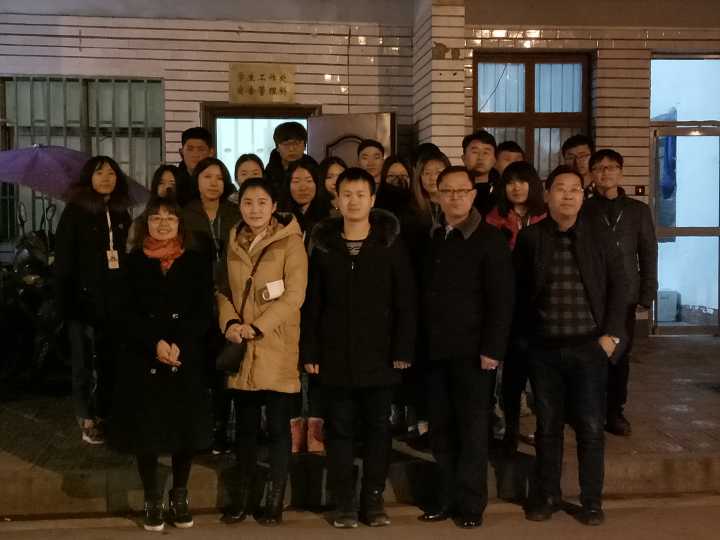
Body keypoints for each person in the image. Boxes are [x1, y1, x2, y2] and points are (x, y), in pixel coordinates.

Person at [301, 168, 417, 529]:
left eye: (360, 194)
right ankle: (344, 503)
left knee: (379, 431)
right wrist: (310, 352)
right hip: (335, 356)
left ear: (372, 200)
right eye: (347, 194)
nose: (353, 201)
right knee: (339, 431)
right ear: (337, 200)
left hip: (381, 356)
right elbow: (312, 304)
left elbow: (406, 302)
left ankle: (373, 500)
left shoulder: (389, 245)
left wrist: (403, 349)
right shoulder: (324, 247)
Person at [514, 165, 627, 527]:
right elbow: (518, 292)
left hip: (589, 348)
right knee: (548, 427)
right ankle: (547, 495)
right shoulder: (531, 238)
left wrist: (611, 337)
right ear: (547, 195)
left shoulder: (600, 235)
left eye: (575, 189)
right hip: (544, 350)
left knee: (591, 427)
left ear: (583, 195)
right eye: (560, 188)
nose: (567, 195)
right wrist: (525, 341)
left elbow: (621, 286)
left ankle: (591, 500)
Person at [109, 198, 214, 532]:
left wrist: (180, 342)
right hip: (144, 356)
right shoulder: (132, 262)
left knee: (185, 429)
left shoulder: (196, 262)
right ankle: (152, 497)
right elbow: (124, 312)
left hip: (185, 354)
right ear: (146, 223)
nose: (163, 223)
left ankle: (179, 494)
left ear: (180, 224)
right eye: (156, 218)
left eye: (170, 218)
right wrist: (154, 342)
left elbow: (203, 311)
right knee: (147, 431)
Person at [419, 165, 514, 529]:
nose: (455, 197)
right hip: (435, 351)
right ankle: (444, 498)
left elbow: (502, 299)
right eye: (448, 191)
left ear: (474, 195)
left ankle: (471, 503)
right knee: (441, 429)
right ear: (437, 195)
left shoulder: (489, 240)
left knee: (472, 431)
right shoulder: (433, 236)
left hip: (474, 353)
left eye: (462, 191)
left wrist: (493, 349)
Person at [216, 178, 307, 526]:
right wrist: (230, 323)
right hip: (243, 346)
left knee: (279, 428)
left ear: (274, 207)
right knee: (246, 428)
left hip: (277, 344)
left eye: (262, 202)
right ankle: (242, 497)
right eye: (248, 202)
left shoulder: (291, 242)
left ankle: (274, 499)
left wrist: (259, 326)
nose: (254, 209)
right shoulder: (232, 240)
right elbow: (223, 290)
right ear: (239, 206)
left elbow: (295, 295)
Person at [55, 156, 132, 445]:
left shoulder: (121, 212)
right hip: (82, 302)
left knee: (110, 359)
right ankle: (86, 416)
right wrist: (66, 304)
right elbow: (63, 262)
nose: (106, 178)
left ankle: (105, 413)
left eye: (111, 173)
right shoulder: (75, 212)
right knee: (83, 362)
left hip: (114, 302)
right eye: (99, 173)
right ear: (89, 177)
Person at [583, 149, 658, 437]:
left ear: (621, 172)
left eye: (611, 167)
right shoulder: (584, 209)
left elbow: (648, 252)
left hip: (625, 294)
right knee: (590, 354)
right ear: (591, 173)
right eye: (599, 168)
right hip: (591, 294)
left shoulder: (637, 210)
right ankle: (590, 410)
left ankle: (615, 412)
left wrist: (647, 292)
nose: (605, 173)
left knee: (620, 355)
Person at [485, 161, 546, 453]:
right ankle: (510, 430)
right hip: (508, 305)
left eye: (522, 181)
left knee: (543, 377)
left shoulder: (546, 217)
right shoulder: (494, 218)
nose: (516, 187)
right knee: (512, 375)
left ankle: (545, 431)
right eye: (510, 182)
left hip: (542, 306)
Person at [182, 157, 240, 454]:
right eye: (207, 177)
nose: (214, 183)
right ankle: (198, 427)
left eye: (219, 177)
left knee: (223, 366)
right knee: (198, 365)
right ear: (197, 180)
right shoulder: (185, 214)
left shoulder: (235, 212)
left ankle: (220, 427)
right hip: (196, 298)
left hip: (230, 297)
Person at [280, 158, 332, 244]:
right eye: (296, 181)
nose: (303, 188)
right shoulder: (279, 218)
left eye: (309, 181)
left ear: (317, 184)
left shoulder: (329, 217)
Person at [265, 122, 314, 192]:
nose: (291, 149)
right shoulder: (269, 173)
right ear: (277, 148)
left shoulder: (314, 169)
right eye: (286, 144)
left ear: (304, 146)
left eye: (296, 143)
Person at [175, 127, 215, 206]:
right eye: (190, 149)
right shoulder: (173, 180)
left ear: (211, 152)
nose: (195, 154)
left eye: (201, 149)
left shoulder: (219, 180)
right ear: (181, 152)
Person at [461, 130, 499, 216]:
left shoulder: (503, 189)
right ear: (464, 158)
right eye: (475, 152)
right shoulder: (454, 188)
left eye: (486, 152)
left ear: (494, 160)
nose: (480, 157)